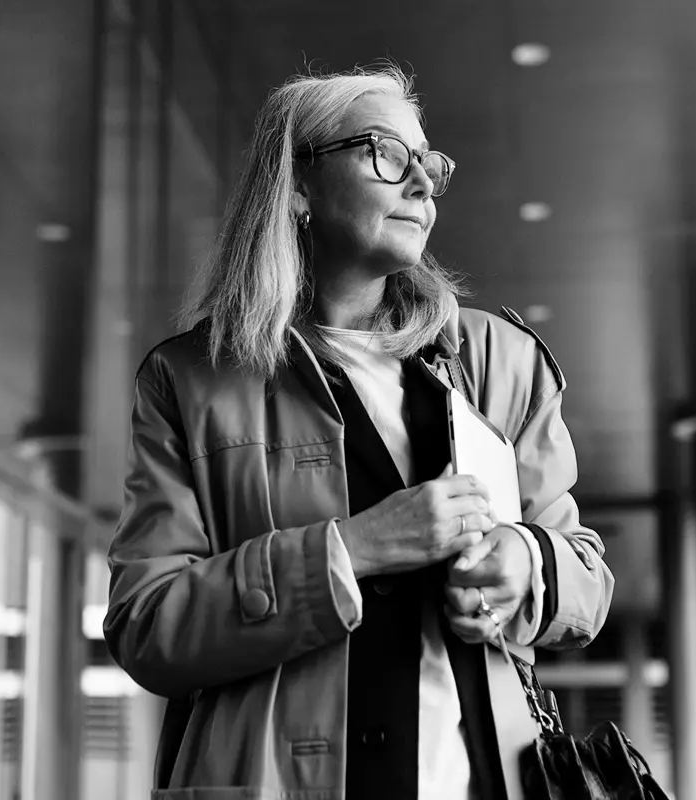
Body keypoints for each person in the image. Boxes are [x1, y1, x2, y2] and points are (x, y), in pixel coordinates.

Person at [104, 64, 614, 800]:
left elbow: (587, 582)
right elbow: (146, 624)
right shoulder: (190, 381)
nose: (422, 185)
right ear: (298, 184)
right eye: (387, 154)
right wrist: (354, 550)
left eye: (429, 165)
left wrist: (526, 564)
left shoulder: (499, 362)